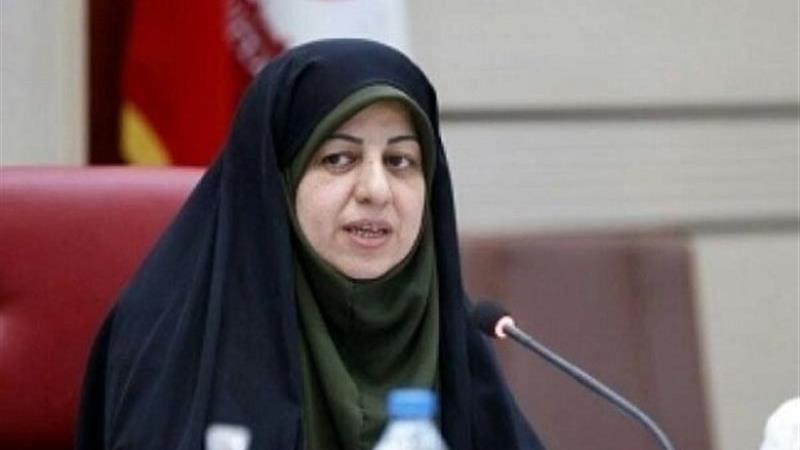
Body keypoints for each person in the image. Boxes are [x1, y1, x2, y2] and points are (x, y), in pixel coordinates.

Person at [76, 39, 545, 450]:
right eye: (339, 159)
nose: (376, 190)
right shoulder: (178, 337)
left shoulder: (451, 330)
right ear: (277, 180)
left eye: (400, 160)